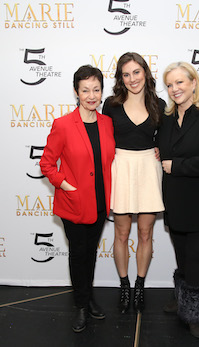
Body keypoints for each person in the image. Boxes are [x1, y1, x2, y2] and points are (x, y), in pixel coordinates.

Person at [40, 65, 115, 332]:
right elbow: (46, 164)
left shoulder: (107, 123)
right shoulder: (63, 125)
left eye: (96, 89)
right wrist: (65, 185)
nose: (92, 95)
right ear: (76, 92)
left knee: (90, 254)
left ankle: (89, 296)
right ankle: (81, 306)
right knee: (78, 254)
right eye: (86, 90)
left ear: (102, 92)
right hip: (73, 203)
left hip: (99, 202)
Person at [157, 61, 199, 339]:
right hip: (175, 200)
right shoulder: (166, 119)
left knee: (196, 258)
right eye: (170, 84)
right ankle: (181, 297)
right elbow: (161, 150)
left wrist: (176, 166)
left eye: (180, 83)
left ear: (194, 83)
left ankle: (193, 313)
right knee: (182, 256)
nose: (174, 89)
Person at [102, 52, 166, 314]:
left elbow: (168, 137)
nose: (132, 79)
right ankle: (124, 285)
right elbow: (102, 138)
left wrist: (163, 149)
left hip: (149, 169)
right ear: (121, 78)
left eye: (136, 72)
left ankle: (140, 284)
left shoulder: (160, 105)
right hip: (121, 167)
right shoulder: (111, 104)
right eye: (126, 74)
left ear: (145, 73)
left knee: (145, 233)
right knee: (121, 232)